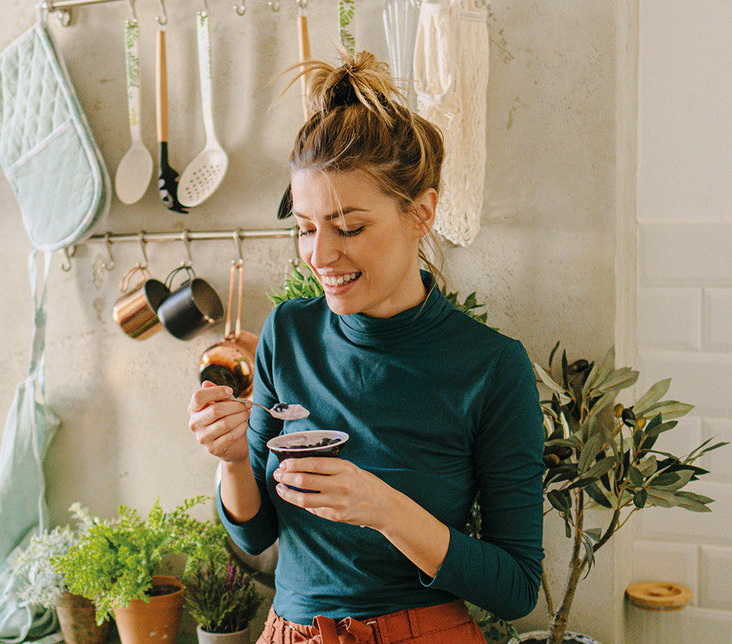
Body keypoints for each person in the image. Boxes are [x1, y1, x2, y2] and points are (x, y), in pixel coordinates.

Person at [187, 51, 544, 644]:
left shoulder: (490, 367)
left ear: (420, 213)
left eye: (349, 228)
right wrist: (228, 457)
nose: (320, 256)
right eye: (305, 228)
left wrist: (385, 508)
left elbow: (516, 589)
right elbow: (256, 536)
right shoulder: (287, 335)